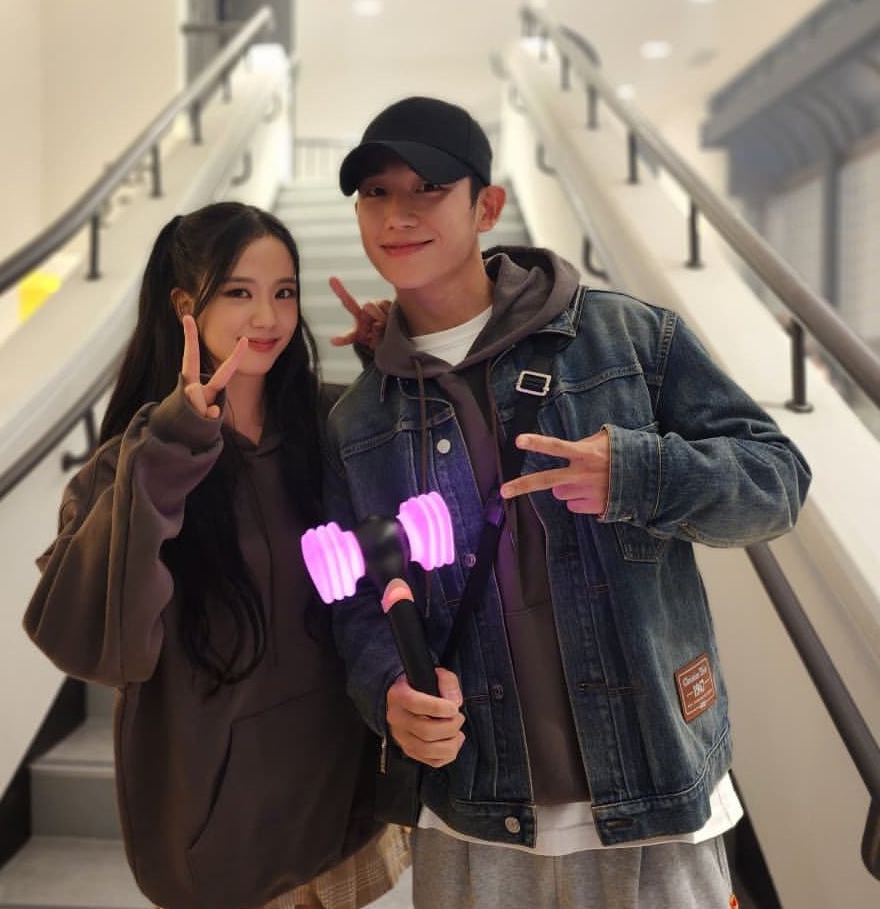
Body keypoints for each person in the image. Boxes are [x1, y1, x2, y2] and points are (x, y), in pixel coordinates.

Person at [323, 97, 812, 909]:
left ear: (487, 206)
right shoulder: (361, 419)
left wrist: (640, 474)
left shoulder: (625, 340)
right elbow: (357, 607)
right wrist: (387, 695)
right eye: (375, 192)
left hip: (653, 792)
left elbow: (777, 480)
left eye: (428, 188)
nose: (397, 214)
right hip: (473, 812)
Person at [23, 202, 408, 909]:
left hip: (336, 808)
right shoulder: (132, 464)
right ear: (183, 305)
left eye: (283, 291)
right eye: (239, 291)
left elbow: (412, 524)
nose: (267, 316)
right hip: (221, 845)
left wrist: (391, 365)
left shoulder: (325, 428)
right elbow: (97, 646)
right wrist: (170, 452)